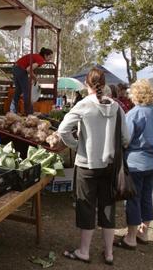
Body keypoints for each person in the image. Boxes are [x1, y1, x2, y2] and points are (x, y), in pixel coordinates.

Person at [58, 68, 129, 265]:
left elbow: (63, 130)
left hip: (86, 165)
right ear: (104, 83)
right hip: (110, 165)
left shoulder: (83, 105)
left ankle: (84, 251)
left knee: (86, 207)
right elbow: (126, 138)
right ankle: (109, 253)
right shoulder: (116, 107)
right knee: (108, 207)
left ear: (87, 85)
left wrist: (77, 145)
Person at [114, 80, 153, 249]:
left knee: (133, 200)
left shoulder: (134, 113)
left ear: (136, 94)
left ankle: (131, 238)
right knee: (146, 198)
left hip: (136, 163)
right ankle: (144, 232)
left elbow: (125, 139)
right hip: (152, 162)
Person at [10, 47, 53, 115]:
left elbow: (28, 69)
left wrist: (32, 77)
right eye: (50, 57)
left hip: (15, 68)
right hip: (21, 70)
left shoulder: (36, 56)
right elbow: (28, 69)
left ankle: (13, 111)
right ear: (45, 55)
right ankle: (29, 112)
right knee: (27, 92)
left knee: (18, 91)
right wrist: (35, 78)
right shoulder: (41, 60)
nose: (50, 59)